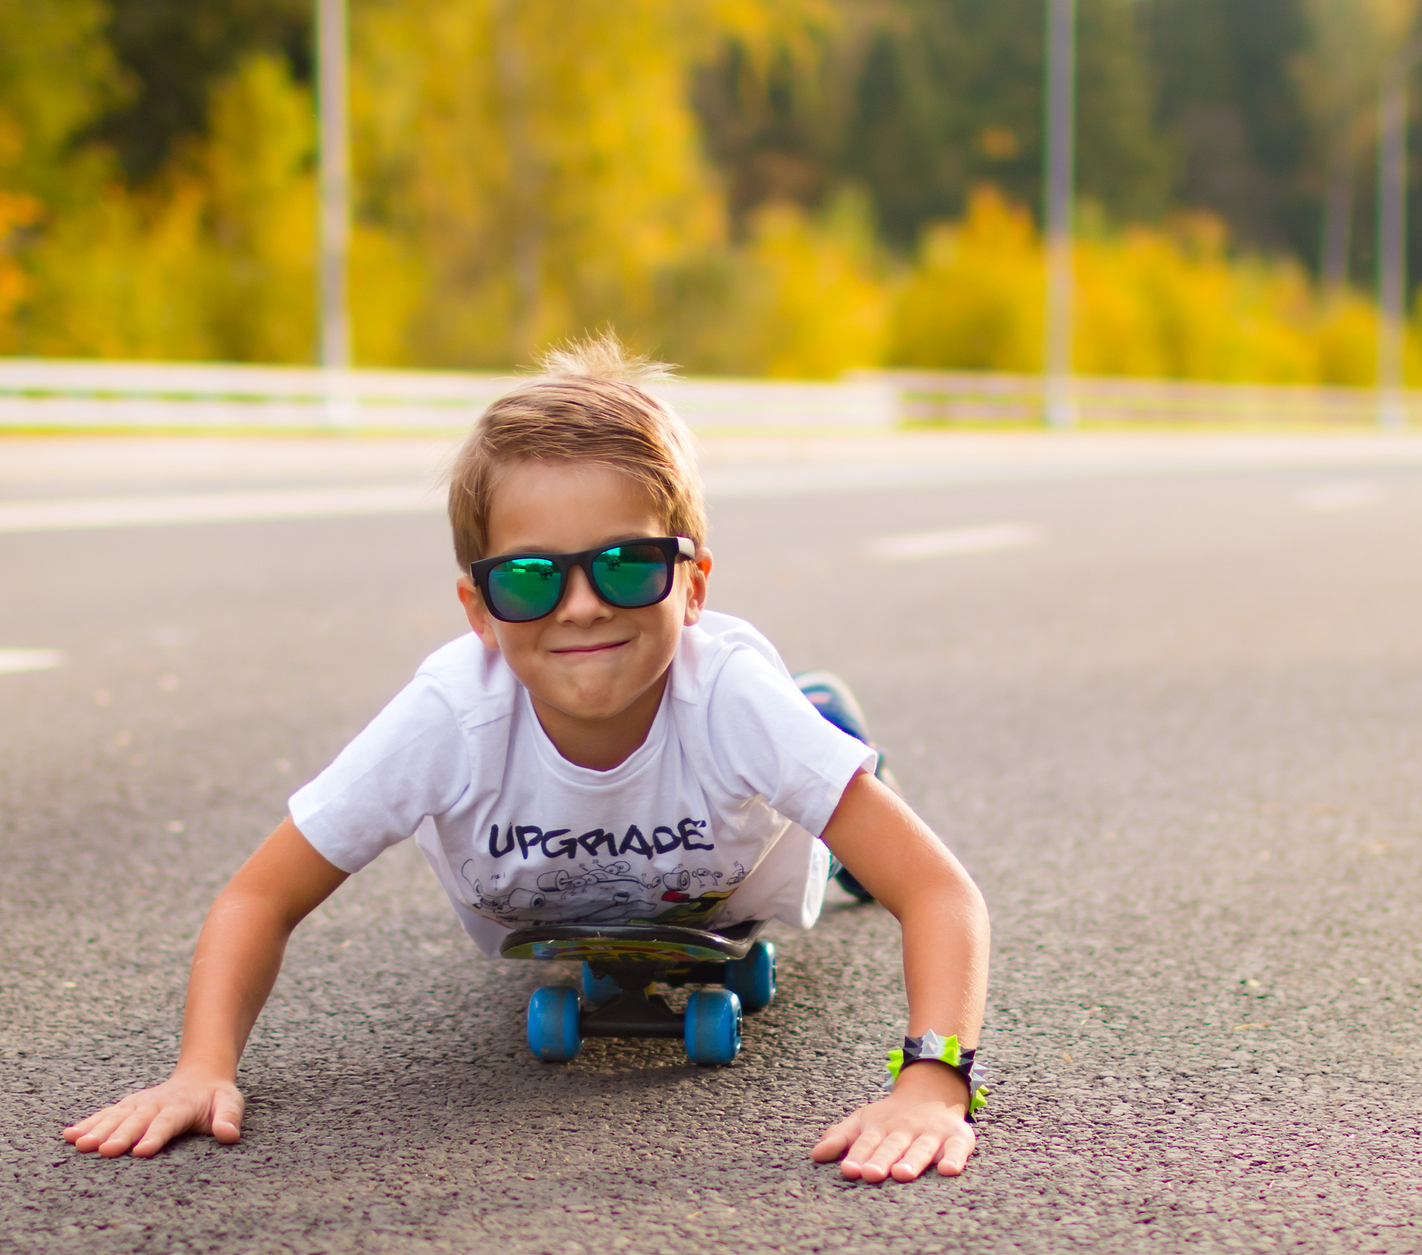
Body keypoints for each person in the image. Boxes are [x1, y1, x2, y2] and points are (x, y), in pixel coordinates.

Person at [63, 334, 990, 1184]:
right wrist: (201, 1068)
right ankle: (817, 730)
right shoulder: (450, 714)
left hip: (741, 865)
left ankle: (829, 728)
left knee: (820, 793)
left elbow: (938, 891)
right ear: (478, 610)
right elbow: (257, 896)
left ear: (694, 584)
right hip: (592, 888)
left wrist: (932, 1082)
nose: (582, 605)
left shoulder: (731, 703)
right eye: (531, 578)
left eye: (629, 565)